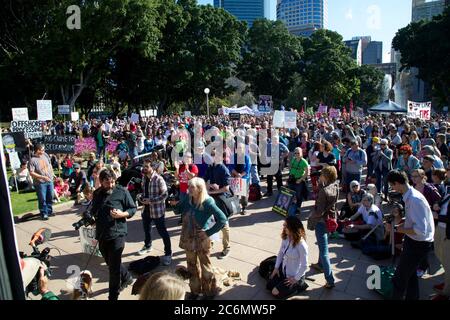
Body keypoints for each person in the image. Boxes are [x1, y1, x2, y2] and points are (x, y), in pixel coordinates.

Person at [171, 177, 227, 300]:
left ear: (200, 189)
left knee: (205, 267)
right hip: (188, 238)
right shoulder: (188, 198)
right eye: (189, 186)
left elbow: (223, 219)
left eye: (192, 187)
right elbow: (179, 210)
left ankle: (209, 293)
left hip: (202, 239)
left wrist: (208, 232)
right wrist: (174, 205)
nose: (189, 189)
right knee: (191, 266)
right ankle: (195, 292)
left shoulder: (207, 202)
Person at [387, 170, 435, 300]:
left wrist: (399, 229)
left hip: (418, 243)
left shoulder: (414, 199)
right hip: (413, 241)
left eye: (392, 185)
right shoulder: (410, 196)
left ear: (397, 183)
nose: (392, 188)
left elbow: (420, 230)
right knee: (411, 274)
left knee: (400, 278)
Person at [91, 168, 137, 300]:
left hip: (118, 234)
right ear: (101, 182)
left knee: (114, 270)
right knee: (111, 263)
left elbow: (132, 208)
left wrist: (122, 214)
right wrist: (92, 218)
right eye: (107, 183)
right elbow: (94, 211)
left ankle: (113, 296)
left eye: (112, 182)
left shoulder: (122, 191)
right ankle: (127, 277)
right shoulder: (97, 193)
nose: (110, 185)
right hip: (102, 234)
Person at [307, 166, 339, 289]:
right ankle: (320, 265)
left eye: (322, 175)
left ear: (326, 176)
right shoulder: (335, 186)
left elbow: (319, 211)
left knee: (324, 251)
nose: (320, 176)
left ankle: (330, 280)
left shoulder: (323, 191)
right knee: (323, 244)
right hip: (330, 219)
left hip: (321, 221)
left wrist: (311, 216)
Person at [137, 161, 172, 266]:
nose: (144, 168)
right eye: (143, 166)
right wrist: (141, 197)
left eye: (146, 166)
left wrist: (151, 200)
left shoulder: (158, 179)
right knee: (146, 229)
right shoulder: (144, 178)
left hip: (157, 211)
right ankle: (148, 245)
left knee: (162, 232)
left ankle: (168, 253)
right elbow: (144, 192)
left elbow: (165, 194)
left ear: (152, 167)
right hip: (146, 209)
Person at [267, 217, 309, 299]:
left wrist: (295, 279)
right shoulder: (286, 238)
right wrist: (276, 268)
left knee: (275, 292)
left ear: (293, 228)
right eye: (284, 225)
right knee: (269, 285)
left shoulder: (302, 245)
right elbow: (280, 253)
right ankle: (284, 284)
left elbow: (305, 265)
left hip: (294, 277)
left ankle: (300, 285)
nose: (283, 227)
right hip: (284, 272)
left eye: (286, 226)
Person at [204, 149, 232, 259]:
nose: (211, 157)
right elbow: (204, 180)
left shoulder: (223, 168)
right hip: (212, 199)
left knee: (224, 224)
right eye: (211, 155)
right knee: (211, 222)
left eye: (213, 155)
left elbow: (226, 188)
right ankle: (210, 243)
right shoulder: (211, 167)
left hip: (222, 200)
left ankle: (227, 247)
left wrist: (213, 191)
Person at [29, 144, 55, 220]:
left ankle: (49, 211)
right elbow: (31, 172)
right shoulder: (32, 160)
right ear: (38, 150)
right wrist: (42, 177)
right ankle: (44, 213)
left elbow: (50, 165)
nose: (44, 151)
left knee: (50, 196)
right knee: (42, 199)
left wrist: (52, 174)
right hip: (40, 183)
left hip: (49, 180)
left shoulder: (45, 155)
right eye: (42, 150)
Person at [288, 147, 309, 214]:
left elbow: (307, 173)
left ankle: (298, 208)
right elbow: (290, 169)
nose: (296, 154)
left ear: (301, 153)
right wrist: (288, 178)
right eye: (295, 153)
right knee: (291, 194)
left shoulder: (304, 161)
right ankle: (292, 207)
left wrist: (300, 180)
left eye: (298, 153)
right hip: (292, 180)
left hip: (299, 180)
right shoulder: (293, 159)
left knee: (298, 195)